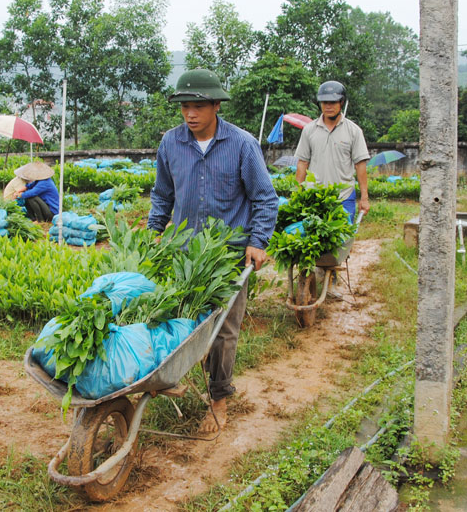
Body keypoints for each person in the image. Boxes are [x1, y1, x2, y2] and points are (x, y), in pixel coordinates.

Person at [148, 68, 278, 434]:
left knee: (222, 332)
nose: (191, 113)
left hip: (228, 256)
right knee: (177, 318)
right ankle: (173, 376)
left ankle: (218, 400)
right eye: (185, 106)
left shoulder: (241, 144)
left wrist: (257, 241)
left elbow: (265, 198)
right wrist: (154, 232)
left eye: (199, 106)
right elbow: (162, 194)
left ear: (216, 105)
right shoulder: (170, 143)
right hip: (185, 254)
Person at [294, 81, 371, 222]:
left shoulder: (354, 131)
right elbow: (302, 162)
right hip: (315, 197)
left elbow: (360, 165)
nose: (328, 106)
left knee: (343, 240)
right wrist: (297, 194)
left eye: (333, 102)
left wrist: (364, 198)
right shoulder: (309, 130)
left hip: (344, 197)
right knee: (314, 240)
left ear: (341, 102)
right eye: (324, 102)